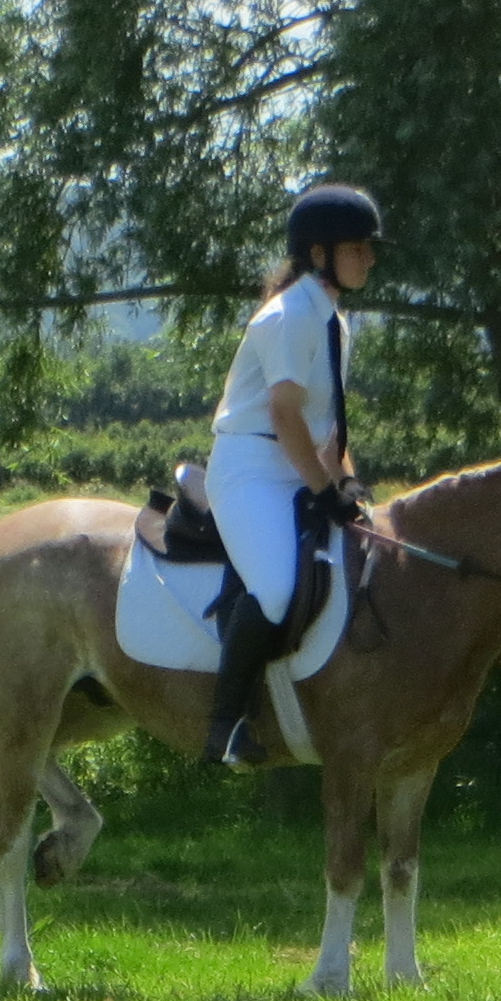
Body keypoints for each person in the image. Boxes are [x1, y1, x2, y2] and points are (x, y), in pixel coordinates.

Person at [203, 183, 381, 768]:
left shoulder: (332, 319)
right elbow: (283, 414)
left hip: (300, 463)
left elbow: (326, 427)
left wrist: (347, 484)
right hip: (251, 468)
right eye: (357, 248)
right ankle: (225, 724)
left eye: (370, 248)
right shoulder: (287, 316)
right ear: (320, 252)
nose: (369, 258)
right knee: (278, 588)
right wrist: (324, 491)